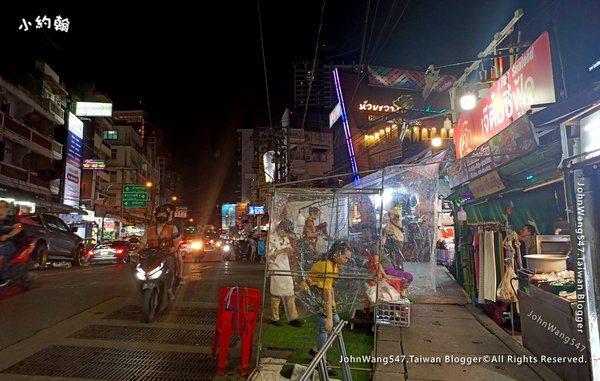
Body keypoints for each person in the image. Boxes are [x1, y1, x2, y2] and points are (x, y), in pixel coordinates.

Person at [306, 239, 352, 375]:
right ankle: (321, 362)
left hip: (320, 296)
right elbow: (325, 292)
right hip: (312, 298)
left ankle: (316, 350)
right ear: (337, 253)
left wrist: (333, 302)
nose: (347, 261)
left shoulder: (334, 264)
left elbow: (330, 286)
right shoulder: (327, 265)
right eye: (345, 258)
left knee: (336, 323)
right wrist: (329, 318)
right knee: (325, 325)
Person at [140, 204, 181, 300]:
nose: (161, 216)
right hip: (151, 254)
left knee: (170, 266)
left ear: (166, 216)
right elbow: (142, 243)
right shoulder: (149, 230)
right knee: (137, 267)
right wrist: (137, 250)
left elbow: (176, 244)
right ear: (156, 216)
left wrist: (172, 249)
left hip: (166, 254)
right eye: (159, 214)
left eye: (163, 214)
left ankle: (170, 290)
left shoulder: (172, 228)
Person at [267, 220, 304, 327]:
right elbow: (269, 255)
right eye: (286, 232)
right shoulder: (271, 238)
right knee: (276, 295)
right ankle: (275, 318)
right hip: (276, 267)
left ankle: (293, 317)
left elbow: (289, 249)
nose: (287, 235)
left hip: (285, 266)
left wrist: (290, 250)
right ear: (280, 229)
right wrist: (282, 250)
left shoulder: (285, 238)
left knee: (290, 293)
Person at [0, 200, 27, 286]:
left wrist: (8, 235)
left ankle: (5, 278)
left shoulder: (12, 220)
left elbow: (18, 227)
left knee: (2, 253)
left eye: (1, 207)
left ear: (7, 209)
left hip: (12, 243)